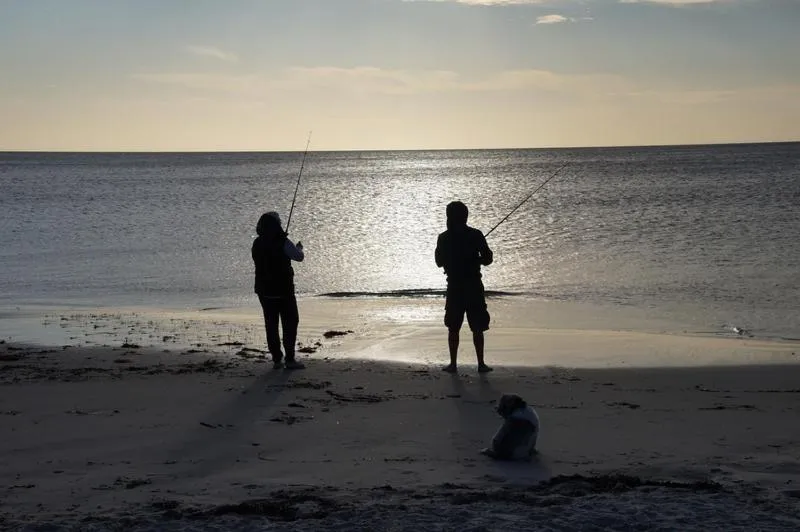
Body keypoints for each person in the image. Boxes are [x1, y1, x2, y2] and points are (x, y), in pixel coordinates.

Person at [434, 201, 494, 373]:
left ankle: (453, 364)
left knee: (453, 326)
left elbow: (438, 262)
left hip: (455, 287)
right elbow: (488, 258)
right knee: (477, 327)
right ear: (465, 216)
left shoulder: (444, 237)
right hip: (473, 286)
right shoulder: (475, 235)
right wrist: (476, 259)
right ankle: (481, 364)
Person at [251, 211, 306, 370]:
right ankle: (289, 359)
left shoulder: (257, 243)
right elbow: (299, 257)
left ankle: (277, 358)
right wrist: (299, 247)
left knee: (271, 323)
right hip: (283, 290)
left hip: (264, 290)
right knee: (290, 322)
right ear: (276, 226)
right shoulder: (283, 242)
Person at [480, 394, 540, 461]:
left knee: (498, 440)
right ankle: (526, 450)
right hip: (526, 452)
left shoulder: (516, 419)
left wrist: (497, 453)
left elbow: (504, 440)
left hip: (513, 455)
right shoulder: (529, 412)